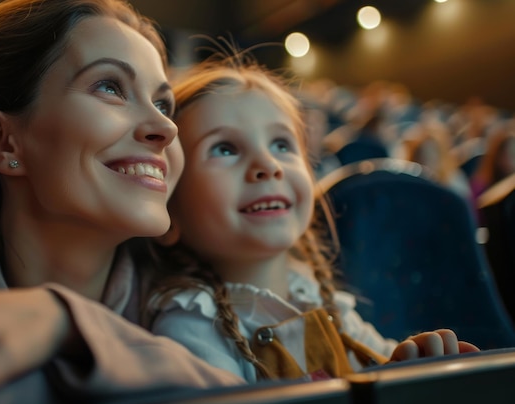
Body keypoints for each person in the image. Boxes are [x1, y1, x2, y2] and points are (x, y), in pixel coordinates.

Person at [0, 1, 244, 404]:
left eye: (164, 104)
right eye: (110, 87)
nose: (166, 127)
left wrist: (68, 323)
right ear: (3, 143)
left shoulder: (190, 297)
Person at [144, 53, 480, 383]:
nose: (269, 165)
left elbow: (379, 371)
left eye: (281, 144)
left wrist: (411, 363)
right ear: (169, 213)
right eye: (225, 149)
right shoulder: (191, 325)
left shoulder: (321, 299)